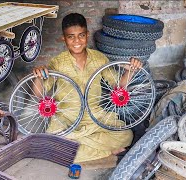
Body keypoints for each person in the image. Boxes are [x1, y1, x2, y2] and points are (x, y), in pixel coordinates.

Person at [32, 13, 143, 163]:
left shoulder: (99, 58)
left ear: (87, 35)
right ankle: (107, 150)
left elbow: (119, 87)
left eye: (81, 35)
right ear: (64, 39)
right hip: (66, 118)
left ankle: (76, 146)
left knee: (126, 135)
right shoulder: (57, 62)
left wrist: (131, 70)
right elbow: (39, 95)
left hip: (96, 117)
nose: (77, 41)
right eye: (71, 37)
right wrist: (38, 77)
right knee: (54, 146)